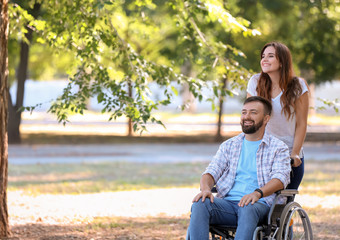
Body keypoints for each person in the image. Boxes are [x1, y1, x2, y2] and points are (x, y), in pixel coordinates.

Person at [186, 96, 291, 240]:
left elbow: (280, 179)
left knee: (247, 206)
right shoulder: (229, 145)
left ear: (266, 119)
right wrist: (206, 190)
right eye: (244, 112)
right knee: (200, 203)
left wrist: (257, 193)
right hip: (227, 205)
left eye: (253, 112)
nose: (247, 116)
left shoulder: (278, 148)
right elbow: (210, 173)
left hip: (258, 204)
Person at [247, 41, 309, 190]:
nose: (264, 59)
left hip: (287, 156)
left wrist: (294, 153)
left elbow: (301, 124)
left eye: (270, 56)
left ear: (282, 62)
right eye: (263, 56)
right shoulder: (255, 82)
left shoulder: (298, 86)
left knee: (279, 208)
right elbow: (250, 120)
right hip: (261, 155)